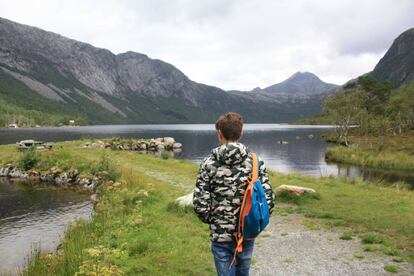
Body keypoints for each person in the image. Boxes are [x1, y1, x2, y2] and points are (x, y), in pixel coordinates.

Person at [193, 112, 275, 276]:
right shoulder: (255, 162)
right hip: (247, 232)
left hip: (220, 235)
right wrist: (255, 221)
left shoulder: (208, 163)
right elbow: (268, 199)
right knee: (243, 272)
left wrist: (215, 221)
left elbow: (200, 204)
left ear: (219, 133)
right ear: (241, 133)